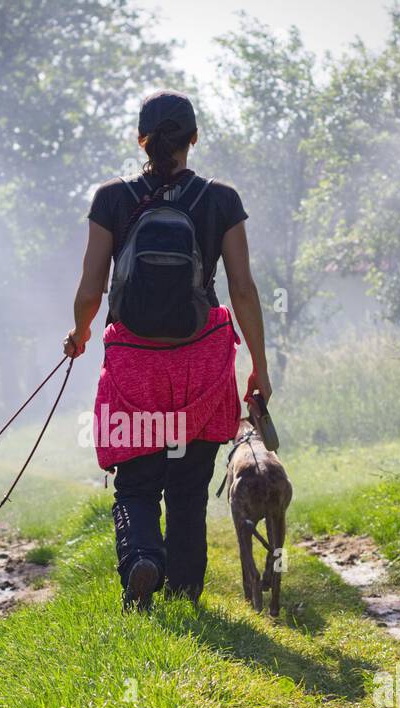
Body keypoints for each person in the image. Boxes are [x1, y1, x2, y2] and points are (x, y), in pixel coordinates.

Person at [64, 89, 271, 611]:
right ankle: (182, 592)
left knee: (135, 482)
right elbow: (242, 289)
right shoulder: (220, 198)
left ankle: (141, 562)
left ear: (142, 139)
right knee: (187, 491)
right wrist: (259, 367)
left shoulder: (112, 198)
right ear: (194, 138)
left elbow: (92, 288)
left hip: (134, 362)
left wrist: (80, 334)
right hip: (202, 361)